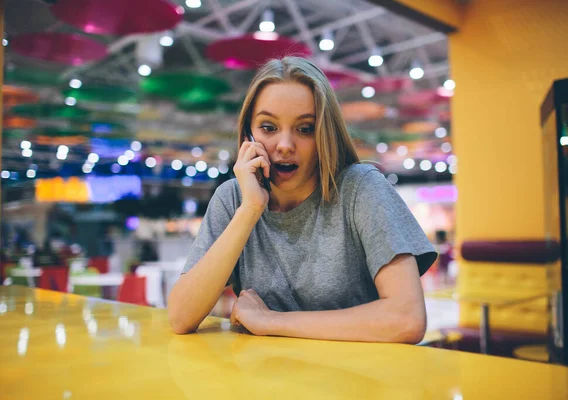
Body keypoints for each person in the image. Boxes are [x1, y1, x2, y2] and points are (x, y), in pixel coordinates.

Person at [168, 57, 437, 343]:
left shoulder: (361, 189)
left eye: (305, 129)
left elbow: (407, 319)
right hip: (264, 382)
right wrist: (250, 208)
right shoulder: (233, 198)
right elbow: (181, 317)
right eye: (269, 128)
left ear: (325, 133)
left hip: (357, 381)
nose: (285, 145)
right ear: (249, 133)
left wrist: (271, 321)